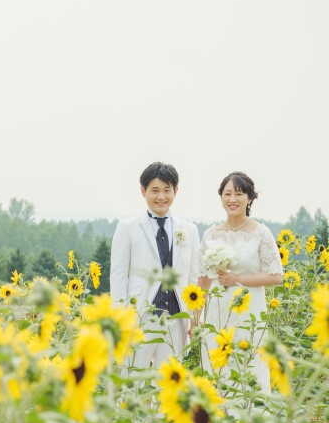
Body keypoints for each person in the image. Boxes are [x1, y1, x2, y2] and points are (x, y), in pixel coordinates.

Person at [197, 172, 283, 393]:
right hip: (216, 313)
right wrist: (196, 318)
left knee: (249, 366)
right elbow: (204, 279)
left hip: (249, 311)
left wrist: (238, 280)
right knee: (217, 368)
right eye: (227, 194)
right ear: (221, 198)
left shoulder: (261, 233)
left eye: (238, 193)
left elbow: (276, 276)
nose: (232, 199)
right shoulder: (210, 235)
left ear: (250, 198)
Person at [111, 162, 201, 368]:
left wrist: (195, 318)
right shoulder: (127, 228)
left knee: (169, 383)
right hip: (140, 316)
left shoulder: (190, 230)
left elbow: (193, 279)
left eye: (167, 190)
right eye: (155, 190)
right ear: (143, 191)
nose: (161, 197)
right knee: (133, 381)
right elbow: (118, 277)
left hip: (177, 319)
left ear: (176, 191)